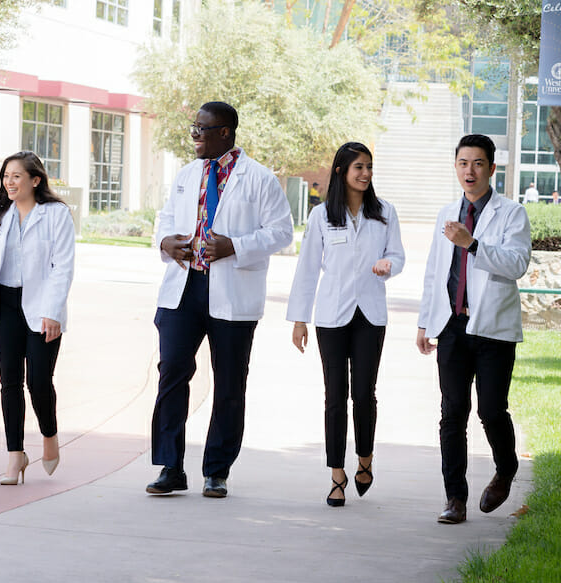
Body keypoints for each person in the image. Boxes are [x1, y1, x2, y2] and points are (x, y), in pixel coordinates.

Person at [148, 101, 293, 498]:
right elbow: (165, 218)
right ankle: (170, 467)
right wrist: (165, 242)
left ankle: (217, 470)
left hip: (232, 290)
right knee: (172, 374)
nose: (194, 135)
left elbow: (282, 232)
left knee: (229, 381)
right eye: (193, 127)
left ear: (225, 132)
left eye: (202, 129)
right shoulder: (186, 174)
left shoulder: (259, 179)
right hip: (184, 287)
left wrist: (237, 247)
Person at [416, 134, 530, 525]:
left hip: (493, 328)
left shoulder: (512, 214)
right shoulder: (446, 213)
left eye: (478, 163)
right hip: (451, 325)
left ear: (492, 169)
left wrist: (474, 244)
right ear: (456, 167)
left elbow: (517, 265)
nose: (470, 170)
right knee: (452, 413)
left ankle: (506, 468)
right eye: (464, 163)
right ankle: (455, 499)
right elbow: (435, 272)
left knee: (491, 409)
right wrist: (424, 321)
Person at [288, 142, 405, 507]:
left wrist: (388, 264)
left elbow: (397, 254)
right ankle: (337, 474)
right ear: (341, 171)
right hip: (332, 315)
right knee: (334, 396)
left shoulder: (385, 212)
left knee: (364, 394)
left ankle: (365, 459)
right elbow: (307, 268)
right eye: (359, 167)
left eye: (369, 166)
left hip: (370, 315)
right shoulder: (322, 216)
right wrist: (299, 319)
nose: (366, 174)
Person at [0, 151, 76, 485]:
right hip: (4, 305)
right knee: (9, 383)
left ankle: (49, 436)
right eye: (5, 176)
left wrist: (52, 311)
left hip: (41, 306)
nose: (9, 182)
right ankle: (14, 455)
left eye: (16, 176)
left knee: (38, 382)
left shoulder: (56, 214)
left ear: (35, 180)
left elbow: (62, 266)